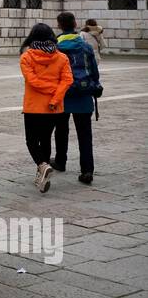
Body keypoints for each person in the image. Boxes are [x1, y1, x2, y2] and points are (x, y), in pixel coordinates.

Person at [19, 23, 73, 193]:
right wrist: (55, 95)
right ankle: (42, 174)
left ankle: (42, 166)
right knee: (46, 139)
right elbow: (67, 81)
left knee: (31, 141)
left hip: (34, 107)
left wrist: (50, 89)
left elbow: (32, 81)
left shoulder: (26, 57)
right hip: (54, 107)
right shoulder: (62, 57)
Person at [52, 11, 101, 184]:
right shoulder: (86, 46)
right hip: (83, 94)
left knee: (61, 129)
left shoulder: (56, 47)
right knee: (85, 134)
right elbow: (94, 72)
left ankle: (60, 161)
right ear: (75, 24)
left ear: (59, 25)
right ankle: (87, 170)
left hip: (63, 94)